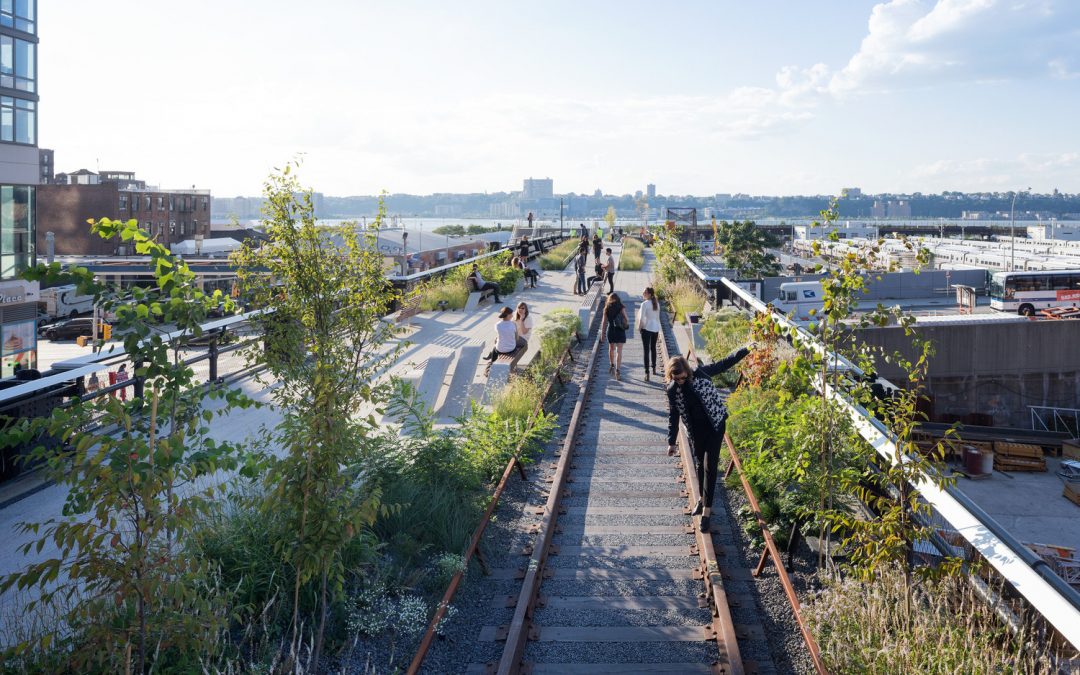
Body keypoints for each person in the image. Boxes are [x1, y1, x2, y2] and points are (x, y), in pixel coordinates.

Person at [665, 348, 752, 532]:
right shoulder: (673, 390)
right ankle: (701, 499)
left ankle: (706, 512)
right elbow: (673, 415)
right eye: (676, 379)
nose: (680, 381)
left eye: (682, 377)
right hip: (696, 431)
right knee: (699, 465)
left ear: (687, 372)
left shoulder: (699, 374)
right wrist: (671, 442)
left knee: (710, 466)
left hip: (715, 426)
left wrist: (745, 349)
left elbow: (723, 363)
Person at [484, 306, 525, 376]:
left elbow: (499, 335)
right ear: (508, 315)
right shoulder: (513, 324)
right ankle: (492, 356)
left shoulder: (497, 325)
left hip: (500, 349)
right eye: (511, 314)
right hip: (511, 349)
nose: (512, 315)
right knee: (522, 342)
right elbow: (516, 338)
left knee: (496, 344)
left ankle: (491, 361)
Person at [599, 293, 629, 381]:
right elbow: (626, 319)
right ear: (618, 299)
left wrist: (602, 334)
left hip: (611, 330)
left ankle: (612, 365)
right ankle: (618, 371)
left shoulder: (607, 308)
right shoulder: (621, 307)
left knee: (611, 348)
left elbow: (604, 322)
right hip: (620, 330)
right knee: (619, 351)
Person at [637, 287, 661, 381]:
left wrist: (639, 328)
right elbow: (657, 318)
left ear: (650, 294)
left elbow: (642, 318)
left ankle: (647, 373)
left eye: (645, 292)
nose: (643, 293)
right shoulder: (656, 303)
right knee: (653, 348)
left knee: (646, 350)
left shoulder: (644, 304)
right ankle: (654, 368)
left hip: (646, 328)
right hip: (655, 328)